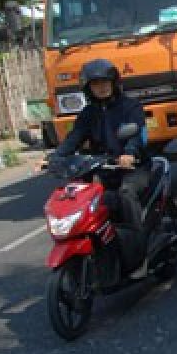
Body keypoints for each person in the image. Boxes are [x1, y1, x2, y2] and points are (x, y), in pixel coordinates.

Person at [39, 58, 149, 228]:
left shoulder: (130, 107)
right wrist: (53, 157)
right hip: (102, 169)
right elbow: (74, 138)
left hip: (133, 168)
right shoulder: (88, 113)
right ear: (88, 88)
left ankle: (136, 243)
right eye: (96, 84)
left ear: (113, 83)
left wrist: (129, 154)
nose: (102, 87)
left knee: (126, 194)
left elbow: (136, 136)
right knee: (79, 196)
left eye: (105, 82)